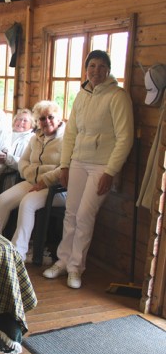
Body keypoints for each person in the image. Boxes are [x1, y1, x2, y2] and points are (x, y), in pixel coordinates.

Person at [43, 50, 134, 289]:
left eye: (101, 66)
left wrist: (111, 171)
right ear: (86, 69)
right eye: (92, 66)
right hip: (78, 163)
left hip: (102, 166)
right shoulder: (82, 95)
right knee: (71, 213)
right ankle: (62, 262)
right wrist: (65, 164)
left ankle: (76, 268)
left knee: (85, 215)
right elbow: (71, 132)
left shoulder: (118, 96)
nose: (96, 71)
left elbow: (125, 138)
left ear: (109, 70)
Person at [0, 100, 66, 261]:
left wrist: (44, 181)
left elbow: (64, 168)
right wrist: (30, 174)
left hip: (56, 187)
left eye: (50, 117)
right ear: (37, 122)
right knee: (4, 199)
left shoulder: (67, 139)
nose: (46, 121)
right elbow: (23, 162)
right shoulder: (35, 139)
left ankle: (18, 252)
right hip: (32, 181)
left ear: (59, 118)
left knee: (28, 203)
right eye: (42, 118)